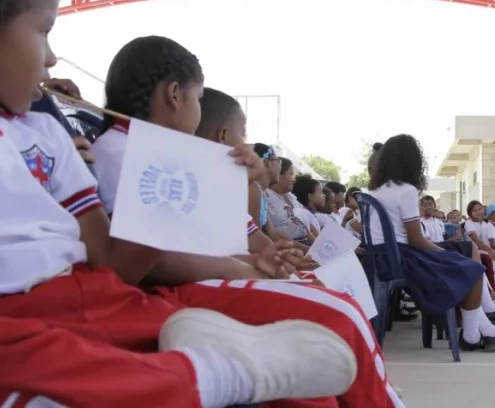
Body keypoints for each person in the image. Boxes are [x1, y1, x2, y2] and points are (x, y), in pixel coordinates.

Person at [0, 0, 363, 406]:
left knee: (308, 389)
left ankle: (204, 372)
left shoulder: (46, 134)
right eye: (43, 32)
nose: (51, 57)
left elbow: (113, 265)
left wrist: (188, 188)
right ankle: (215, 375)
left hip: (95, 300)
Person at [89, 43, 403, 407]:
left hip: (206, 278)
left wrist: (254, 257)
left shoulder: (155, 152)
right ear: (175, 95)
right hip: (178, 291)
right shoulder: (125, 152)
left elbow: (215, 234)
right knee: (339, 314)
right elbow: (154, 261)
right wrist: (245, 265)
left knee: (327, 324)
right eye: (198, 98)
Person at [368, 135, 495, 350]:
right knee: (471, 266)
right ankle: (473, 335)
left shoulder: (375, 190)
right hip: (403, 256)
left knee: (466, 248)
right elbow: (416, 239)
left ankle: (486, 321)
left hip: (383, 255)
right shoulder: (406, 190)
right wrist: (443, 254)